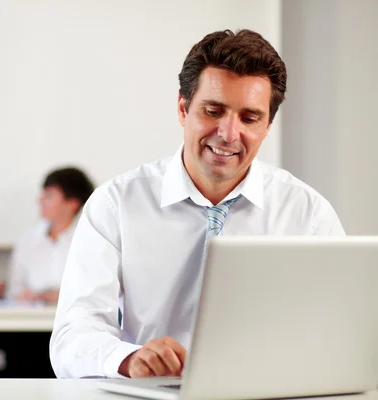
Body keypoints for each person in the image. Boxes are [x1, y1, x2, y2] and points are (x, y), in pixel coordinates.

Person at [49, 29, 345, 379]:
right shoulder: (117, 204)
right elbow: (72, 338)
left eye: (249, 118)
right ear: (183, 108)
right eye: (213, 110)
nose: (228, 133)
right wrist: (129, 359)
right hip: (152, 395)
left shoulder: (308, 214)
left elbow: (340, 333)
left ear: (267, 126)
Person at [0, 167, 94, 378]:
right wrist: (24, 295)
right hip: (28, 329)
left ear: (72, 202)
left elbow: (94, 292)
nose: (40, 200)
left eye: (49, 196)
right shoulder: (29, 239)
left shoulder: (91, 238)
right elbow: (15, 289)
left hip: (71, 330)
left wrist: (53, 296)